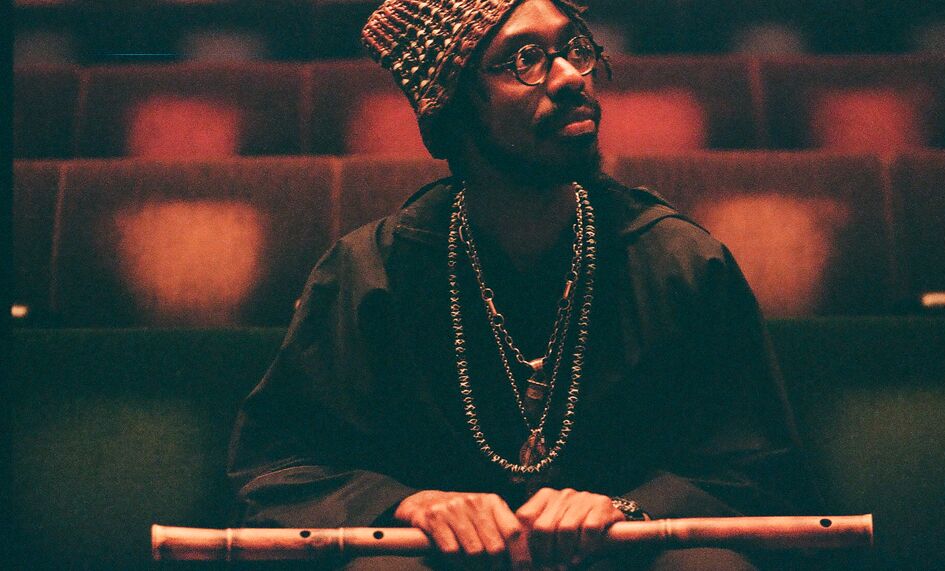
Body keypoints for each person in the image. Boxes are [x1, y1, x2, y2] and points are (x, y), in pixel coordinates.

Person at [228, 0, 820, 569]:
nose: (568, 77)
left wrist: (628, 509)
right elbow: (280, 466)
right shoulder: (372, 273)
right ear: (453, 110)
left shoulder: (679, 262)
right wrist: (408, 505)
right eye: (525, 60)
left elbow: (759, 467)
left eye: (574, 49)